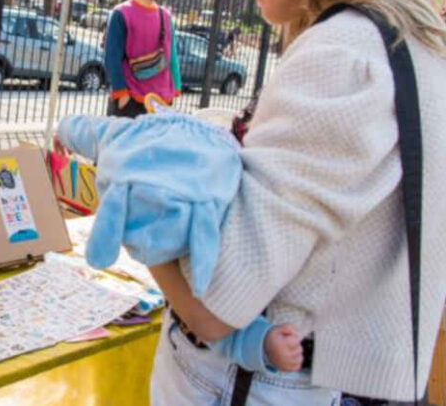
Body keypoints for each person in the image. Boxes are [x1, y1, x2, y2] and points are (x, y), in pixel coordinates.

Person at [147, 0, 446, 404]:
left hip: (262, 381)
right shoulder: (418, 45)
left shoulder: (341, 52)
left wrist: (141, 202)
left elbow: (218, 299)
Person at [54, 112, 304, 374]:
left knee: (210, 298)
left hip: (214, 356)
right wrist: (65, 130)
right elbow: (88, 130)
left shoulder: (235, 196)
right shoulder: (225, 178)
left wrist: (259, 342)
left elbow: (210, 319)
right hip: (187, 354)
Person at [104, 0, 182, 118]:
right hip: (130, 99)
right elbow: (112, 56)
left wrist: (176, 88)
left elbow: (171, 54)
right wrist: (121, 93)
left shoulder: (166, 16)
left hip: (161, 102)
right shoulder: (121, 13)